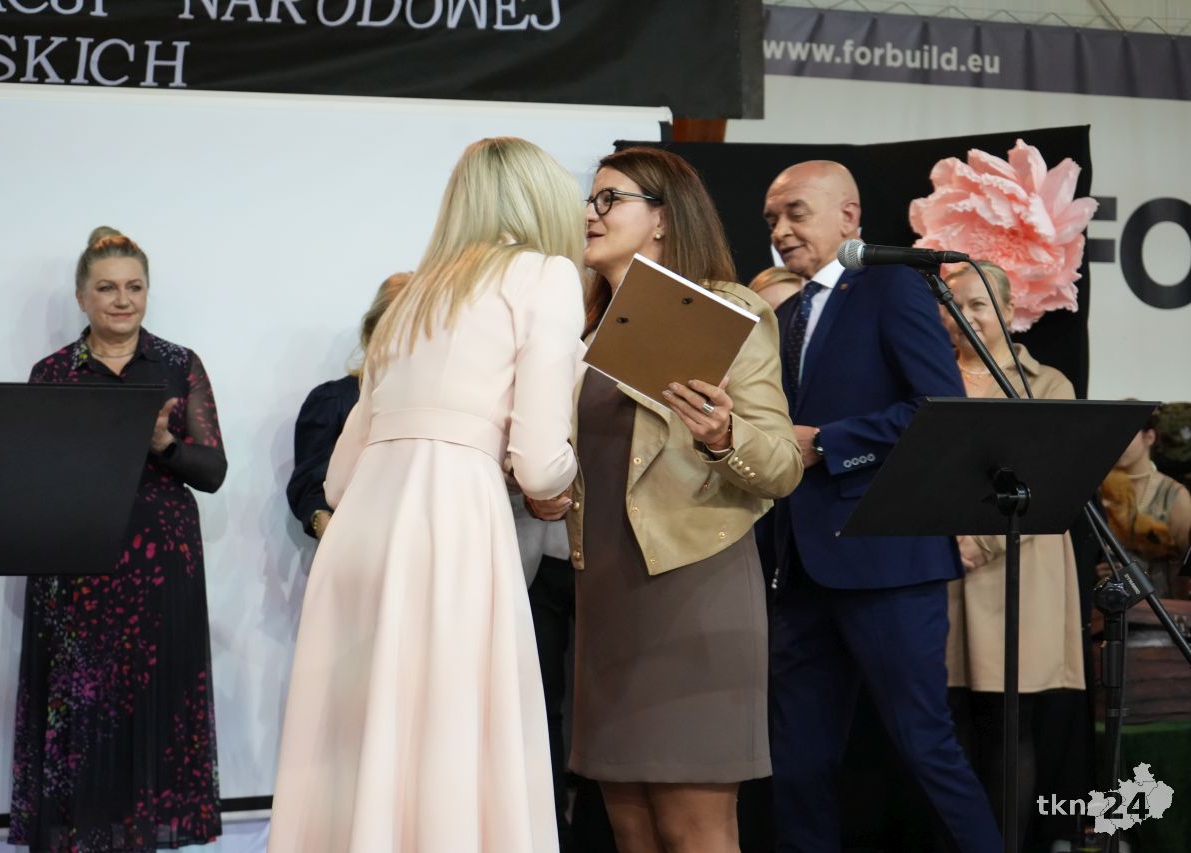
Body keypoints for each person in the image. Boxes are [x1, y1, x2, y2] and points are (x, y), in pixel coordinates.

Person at [268, 137, 586, 853]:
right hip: (451, 520)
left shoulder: (414, 294)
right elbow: (541, 465)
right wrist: (562, 480)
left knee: (359, 741)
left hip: (363, 532)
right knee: (448, 731)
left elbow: (338, 480)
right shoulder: (545, 275)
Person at [531, 146, 803, 853]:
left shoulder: (723, 309)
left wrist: (723, 435)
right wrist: (547, 494)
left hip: (692, 586)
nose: (590, 215)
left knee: (693, 828)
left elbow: (781, 466)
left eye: (610, 199)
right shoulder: (580, 326)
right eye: (589, 200)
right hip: (604, 595)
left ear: (662, 218)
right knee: (631, 828)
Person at [764, 161, 1001, 852]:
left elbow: (940, 408)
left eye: (796, 212)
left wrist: (830, 443)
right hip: (797, 567)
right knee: (796, 763)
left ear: (849, 215)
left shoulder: (893, 286)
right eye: (771, 219)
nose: (780, 230)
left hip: (889, 558)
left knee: (924, 746)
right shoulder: (783, 316)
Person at [10, 227, 226, 852]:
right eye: (106, 288)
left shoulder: (179, 364)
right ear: (82, 297)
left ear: (147, 292)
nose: (122, 299)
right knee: (81, 706)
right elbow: (28, 473)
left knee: (152, 703)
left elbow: (212, 471)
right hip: (75, 562)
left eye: (134, 286)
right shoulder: (53, 373)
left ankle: (141, 836)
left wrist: (163, 444)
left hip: (162, 570)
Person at [940, 261, 1088, 846]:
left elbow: (1047, 481)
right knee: (947, 726)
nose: (965, 316)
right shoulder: (928, 375)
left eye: (979, 304)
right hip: (938, 573)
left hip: (1018, 575)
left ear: (1007, 310)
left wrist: (976, 544)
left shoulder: (1047, 383)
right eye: (954, 305)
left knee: (1010, 724)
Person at [286, 272, 410, 539]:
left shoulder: (442, 407)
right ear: (373, 332)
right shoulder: (334, 401)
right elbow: (311, 489)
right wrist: (325, 525)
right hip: (356, 545)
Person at [1101, 408, 1191, 599]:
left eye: (1127, 434)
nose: (1118, 442)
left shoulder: (1173, 495)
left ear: (1149, 437)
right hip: (1103, 604)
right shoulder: (1097, 489)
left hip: (1159, 605)